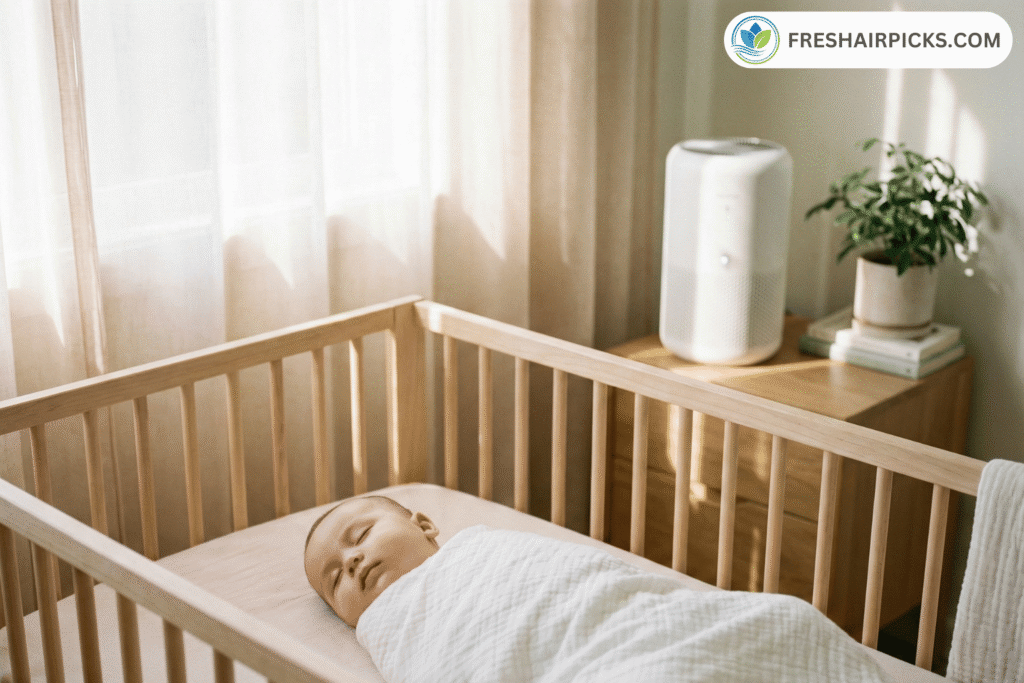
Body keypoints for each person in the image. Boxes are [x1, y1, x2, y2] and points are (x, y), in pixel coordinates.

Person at [303, 495, 440, 627]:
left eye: (361, 535)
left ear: (423, 526)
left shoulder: (460, 554)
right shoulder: (384, 642)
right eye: (336, 579)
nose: (349, 560)